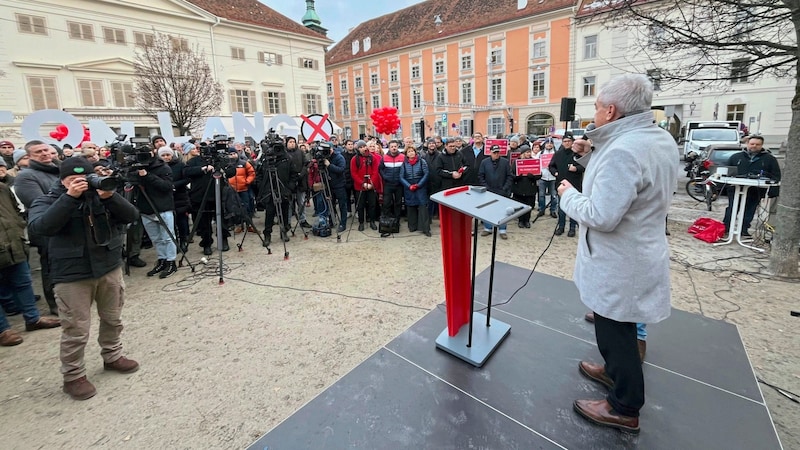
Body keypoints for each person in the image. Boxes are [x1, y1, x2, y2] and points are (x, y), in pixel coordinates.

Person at [557, 74, 677, 434]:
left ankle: (624, 406)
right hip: (636, 250)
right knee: (616, 324)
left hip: (621, 259)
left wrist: (567, 194)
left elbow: (602, 215)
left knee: (615, 329)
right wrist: (590, 152)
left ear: (610, 111)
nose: (593, 112)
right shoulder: (655, 137)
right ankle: (612, 372)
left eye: (595, 106)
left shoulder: (624, 150)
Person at [28, 158, 141, 400]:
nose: (79, 183)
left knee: (113, 318)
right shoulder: (48, 200)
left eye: (84, 179)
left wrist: (110, 196)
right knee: (76, 328)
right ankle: (73, 376)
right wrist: (69, 197)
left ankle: (112, 356)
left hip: (108, 267)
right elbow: (40, 228)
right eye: (72, 179)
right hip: (72, 275)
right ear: (62, 180)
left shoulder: (100, 196)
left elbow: (131, 215)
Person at [0, 180, 61, 347]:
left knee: (23, 282)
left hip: (14, 243)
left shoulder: (3, 189)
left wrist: (18, 228)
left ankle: (33, 319)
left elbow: (16, 211)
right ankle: (3, 330)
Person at [722, 135, 781, 237]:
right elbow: (725, 171)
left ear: (761, 145)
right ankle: (726, 228)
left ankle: (743, 229)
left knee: (750, 210)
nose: (754, 146)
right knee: (732, 208)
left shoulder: (769, 159)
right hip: (735, 188)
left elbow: (776, 176)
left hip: (756, 190)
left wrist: (773, 191)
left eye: (757, 144)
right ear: (747, 144)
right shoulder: (736, 157)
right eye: (752, 144)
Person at [134, 145, 178, 279]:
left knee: (167, 237)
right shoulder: (135, 167)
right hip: (145, 209)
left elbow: (166, 187)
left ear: (153, 153)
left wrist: (147, 176)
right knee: (156, 239)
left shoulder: (163, 167)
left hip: (162, 208)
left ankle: (171, 262)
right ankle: (162, 259)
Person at [549, 134, 584, 236]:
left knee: (573, 208)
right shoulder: (558, 154)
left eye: (569, 141)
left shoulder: (578, 154)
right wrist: (555, 172)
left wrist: (576, 168)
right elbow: (551, 166)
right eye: (565, 141)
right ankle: (561, 226)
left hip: (575, 185)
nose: (567, 143)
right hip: (562, 185)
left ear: (572, 142)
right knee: (561, 208)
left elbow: (585, 166)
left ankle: (572, 228)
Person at [478, 145, 513, 239]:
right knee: (488, 210)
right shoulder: (484, 162)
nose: (496, 154)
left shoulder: (505, 162)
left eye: (498, 152)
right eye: (494, 152)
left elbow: (509, 176)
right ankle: (488, 228)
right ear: (490, 152)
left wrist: (505, 188)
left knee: (502, 211)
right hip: (488, 190)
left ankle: (502, 230)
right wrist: (486, 187)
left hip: (502, 190)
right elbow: (481, 176)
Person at [350, 140, 382, 231]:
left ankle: (372, 221)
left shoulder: (372, 158)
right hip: (360, 186)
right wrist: (362, 183)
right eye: (360, 147)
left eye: (364, 146)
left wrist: (371, 183)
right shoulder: (354, 159)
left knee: (372, 204)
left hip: (371, 185)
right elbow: (354, 173)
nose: (363, 148)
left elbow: (376, 171)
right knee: (360, 205)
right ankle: (361, 222)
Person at [399, 146, 430, 236]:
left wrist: (419, 184)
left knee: (423, 207)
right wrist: (409, 186)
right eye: (409, 152)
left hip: (420, 186)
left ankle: (425, 228)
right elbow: (401, 177)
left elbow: (426, 173)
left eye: (412, 151)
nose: (411, 153)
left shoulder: (422, 161)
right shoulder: (404, 164)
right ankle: (412, 226)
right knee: (410, 207)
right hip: (409, 187)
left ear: (415, 152)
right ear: (406, 154)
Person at [379, 140, 406, 232]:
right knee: (386, 203)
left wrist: (401, 178)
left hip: (399, 184)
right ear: (389, 148)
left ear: (397, 147)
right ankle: (386, 221)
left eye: (395, 146)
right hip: (388, 184)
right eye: (392, 146)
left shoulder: (403, 157)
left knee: (398, 203)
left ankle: (397, 221)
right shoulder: (384, 157)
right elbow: (380, 169)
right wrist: (385, 177)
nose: (394, 148)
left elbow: (405, 169)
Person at [511, 145, 539, 228]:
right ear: (522, 153)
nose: (529, 154)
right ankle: (520, 220)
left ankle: (527, 221)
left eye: (529, 152)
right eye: (527, 152)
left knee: (528, 205)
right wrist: (517, 177)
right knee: (520, 205)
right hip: (519, 188)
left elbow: (539, 175)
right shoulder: (516, 162)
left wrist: (533, 177)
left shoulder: (534, 161)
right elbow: (511, 174)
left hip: (530, 188)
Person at [537, 139, 558, 218]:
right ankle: (541, 209)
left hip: (553, 177)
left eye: (551, 143)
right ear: (545, 144)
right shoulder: (540, 153)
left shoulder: (556, 153)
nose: (549, 145)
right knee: (541, 195)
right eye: (547, 143)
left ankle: (553, 210)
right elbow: (536, 164)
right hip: (543, 177)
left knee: (554, 195)